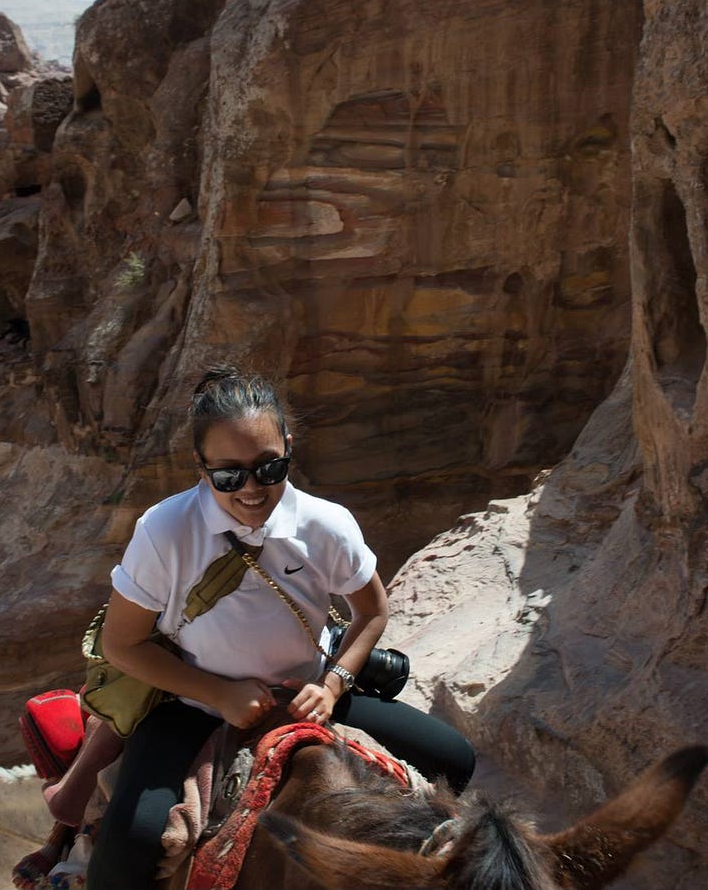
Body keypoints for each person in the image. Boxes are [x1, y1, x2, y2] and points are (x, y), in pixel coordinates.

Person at [86, 365, 476, 890]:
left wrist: (333, 683)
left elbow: (372, 612)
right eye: (229, 475)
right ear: (201, 469)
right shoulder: (166, 531)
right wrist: (218, 694)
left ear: (289, 448)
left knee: (454, 759)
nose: (250, 489)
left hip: (303, 691)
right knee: (128, 848)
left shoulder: (324, 524)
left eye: (268, 468)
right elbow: (121, 642)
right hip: (196, 705)